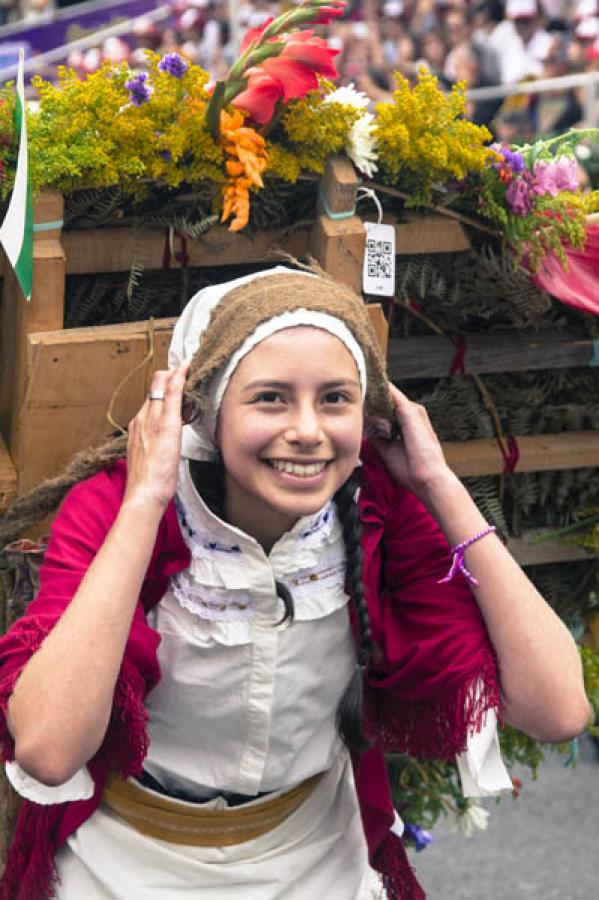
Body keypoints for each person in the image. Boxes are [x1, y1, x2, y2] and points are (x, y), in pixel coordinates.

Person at [0, 266, 590, 900]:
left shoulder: (376, 507)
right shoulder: (114, 506)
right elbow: (49, 748)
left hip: (315, 858)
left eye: (335, 399)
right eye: (270, 398)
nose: (308, 431)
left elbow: (557, 710)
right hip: (121, 864)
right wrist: (146, 499)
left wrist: (438, 483)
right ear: (204, 410)